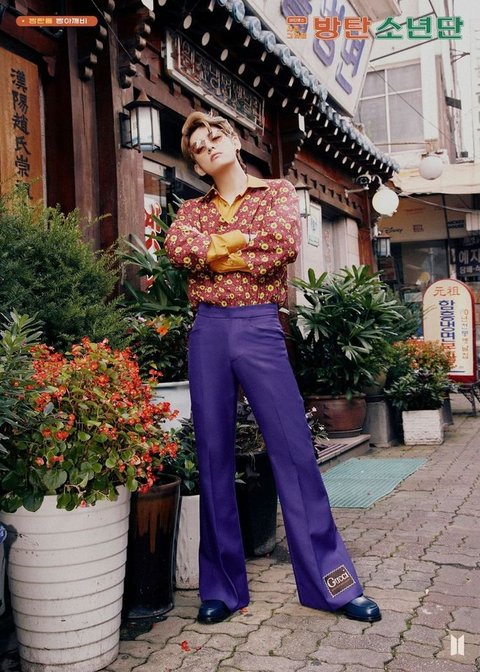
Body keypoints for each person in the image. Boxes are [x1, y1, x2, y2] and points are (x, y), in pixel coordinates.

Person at [164, 111, 381, 625]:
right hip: (208, 330)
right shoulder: (191, 209)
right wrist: (239, 242)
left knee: (294, 451)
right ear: (197, 164)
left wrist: (213, 253)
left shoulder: (277, 193)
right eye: (199, 147)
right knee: (212, 454)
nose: (209, 146)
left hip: (260, 325)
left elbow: (281, 246)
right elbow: (178, 248)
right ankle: (222, 588)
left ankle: (334, 584)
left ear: (234, 140)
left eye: (215, 136)